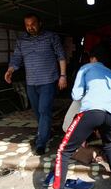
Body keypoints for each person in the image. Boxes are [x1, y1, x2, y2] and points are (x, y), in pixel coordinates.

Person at [37, 45, 111, 189]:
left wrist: (89, 93)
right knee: (109, 144)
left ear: (93, 58)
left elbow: (76, 95)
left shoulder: (86, 68)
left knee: (63, 151)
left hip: (91, 112)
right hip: (110, 115)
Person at [4, 13, 67, 155]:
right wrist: (10, 70)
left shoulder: (51, 37)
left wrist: (63, 76)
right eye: (27, 25)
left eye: (32, 24)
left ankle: (41, 143)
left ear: (40, 23)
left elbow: (61, 56)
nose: (30, 27)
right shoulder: (21, 41)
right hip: (31, 82)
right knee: (38, 111)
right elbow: (16, 58)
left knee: (44, 110)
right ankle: (46, 131)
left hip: (48, 81)